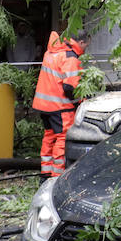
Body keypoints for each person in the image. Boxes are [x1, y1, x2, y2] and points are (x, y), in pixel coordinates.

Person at [32, 29, 86, 178]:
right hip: (60, 107)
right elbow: (70, 87)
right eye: (86, 44)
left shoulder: (51, 52)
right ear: (81, 42)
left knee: (49, 137)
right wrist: (79, 103)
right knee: (62, 139)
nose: (86, 48)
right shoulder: (69, 57)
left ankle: (46, 173)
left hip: (44, 105)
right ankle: (57, 176)